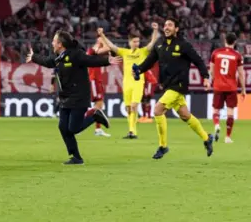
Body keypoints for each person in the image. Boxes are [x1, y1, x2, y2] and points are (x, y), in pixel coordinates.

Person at [26, 30, 121, 165]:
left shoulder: (75, 54)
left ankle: (94, 115)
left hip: (79, 96)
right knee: (63, 127)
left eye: (54, 40)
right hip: (65, 96)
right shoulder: (58, 56)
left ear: (60, 44)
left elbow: (90, 60)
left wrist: (107, 60)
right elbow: (48, 62)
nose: (52, 43)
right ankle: (76, 157)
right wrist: (34, 57)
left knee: (74, 128)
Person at [133, 18, 214, 159]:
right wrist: (139, 70)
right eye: (165, 25)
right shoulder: (159, 44)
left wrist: (205, 77)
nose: (166, 27)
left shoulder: (184, 45)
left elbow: (198, 60)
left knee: (158, 110)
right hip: (168, 85)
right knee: (185, 115)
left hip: (179, 85)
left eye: (170, 25)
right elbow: (149, 61)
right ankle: (207, 138)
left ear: (176, 29)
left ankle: (163, 146)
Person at [99, 23, 159, 139]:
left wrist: (155, 30)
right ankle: (130, 130)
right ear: (130, 42)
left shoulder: (142, 51)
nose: (137, 43)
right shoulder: (124, 52)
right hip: (126, 84)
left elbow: (152, 43)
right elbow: (111, 46)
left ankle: (133, 131)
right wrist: (102, 35)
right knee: (128, 108)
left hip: (138, 83)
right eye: (135, 41)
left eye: (138, 41)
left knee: (133, 106)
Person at [209, 32, 246, 143]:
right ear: (234, 42)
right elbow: (241, 74)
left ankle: (216, 125)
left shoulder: (216, 53)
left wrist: (215, 81)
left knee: (216, 109)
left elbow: (211, 71)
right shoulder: (237, 55)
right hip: (231, 87)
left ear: (225, 40)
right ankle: (228, 137)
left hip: (218, 86)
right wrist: (243, 89)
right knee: (230, 112)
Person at [86, 38, 111, 137]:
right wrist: (103, 39)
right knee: (98, 105)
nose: (103, 41)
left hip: (97, 80)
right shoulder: (93, 50)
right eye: (101, 40)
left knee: (99, 105)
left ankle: (98, 129)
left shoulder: (97, 52)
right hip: (94, 80)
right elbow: (108, 47)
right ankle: (78, 123)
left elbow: (108, 52)